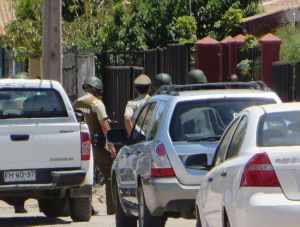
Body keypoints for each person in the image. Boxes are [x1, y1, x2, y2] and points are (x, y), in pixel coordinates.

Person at [72, 76, 116, 215]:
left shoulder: (75, 103)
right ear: (96, 89)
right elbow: (104, 125)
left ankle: (86, 207)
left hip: (79, 145)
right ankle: (112, 208)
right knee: (110, 172)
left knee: (84, 176)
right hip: (96, 144)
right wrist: (111, 145)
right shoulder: (97, 103)